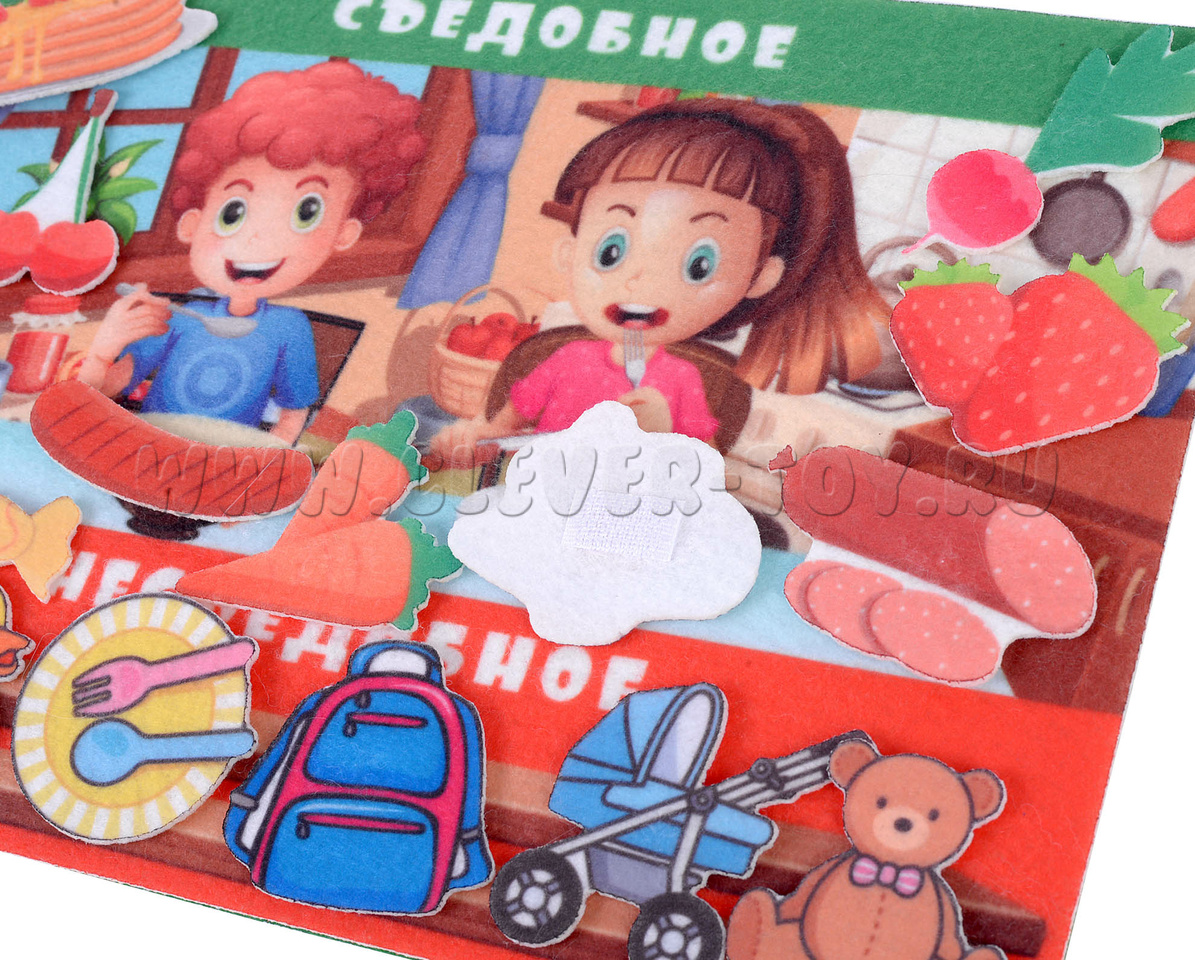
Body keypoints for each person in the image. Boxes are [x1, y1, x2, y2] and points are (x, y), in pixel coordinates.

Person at [430, 98, 892, 467]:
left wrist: (663, 434)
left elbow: (704, 470)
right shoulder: (563, 359)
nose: (639, 279)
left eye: (698, 264)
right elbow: (501, 432)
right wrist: (468, 438)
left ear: (759, 278)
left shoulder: (682, 380)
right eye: (611, 251)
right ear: (569, 255)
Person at [79, 61, 425, 443]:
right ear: (193, 224)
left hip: (229, 459)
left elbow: (294, 412)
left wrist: (269, 458)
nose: (259, 240)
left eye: (306, 213)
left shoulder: (289, 328)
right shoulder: (180, 316)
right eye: (233, 213)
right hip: (149, 442)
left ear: (343, 234)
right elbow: (103, 390)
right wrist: (102, 351)